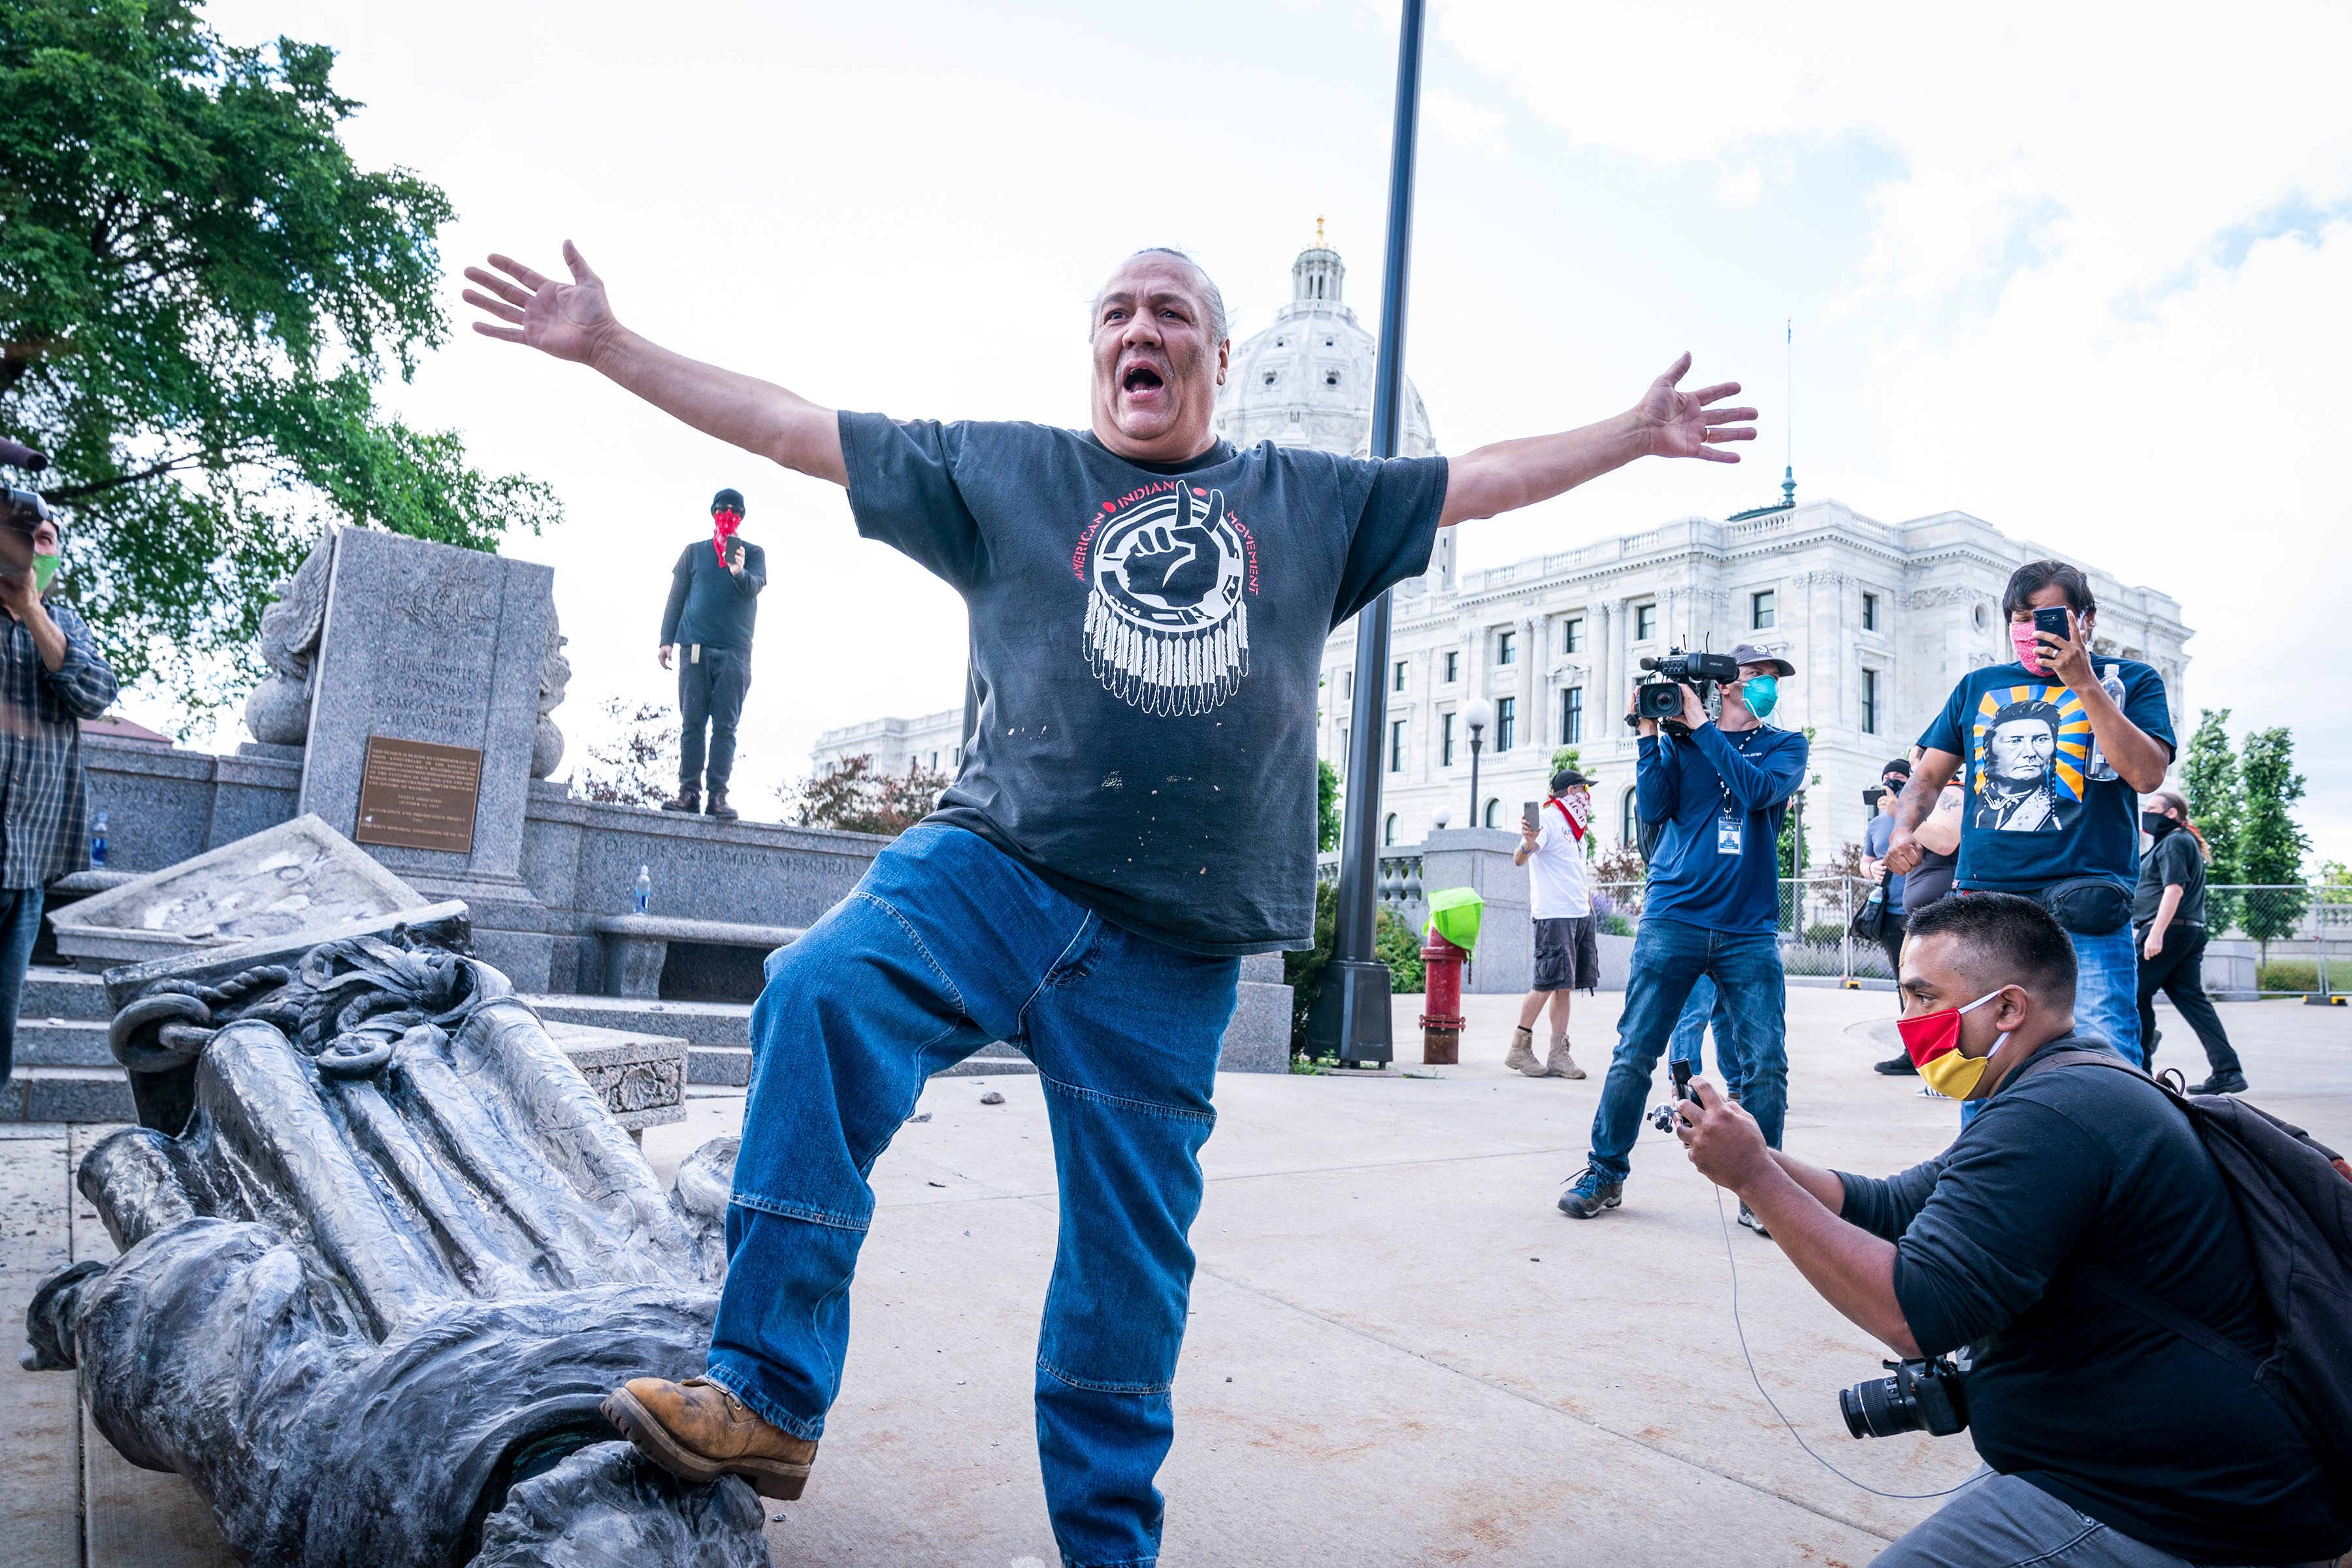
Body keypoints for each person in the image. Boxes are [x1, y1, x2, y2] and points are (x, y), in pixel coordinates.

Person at [463, 238, 1757, 1566]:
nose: (1144, 329)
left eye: (1174, 313)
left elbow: (1480, 477)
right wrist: (612, 345)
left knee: (1126, 1273)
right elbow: (796, 430)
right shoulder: (1007, 470)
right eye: (1119, 312)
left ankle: (1105, 1550)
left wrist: (1633, 432)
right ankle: (770, 1394)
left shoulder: (1304, 498)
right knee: (819, 990)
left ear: (1219, 358)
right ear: (1097, 351)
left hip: (1175, 944)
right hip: (994, 870)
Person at [1669, 892, 2347, 1568]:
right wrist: (1750, 1150)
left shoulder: (2055, 1115)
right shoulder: (2071, 1085)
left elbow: (1914, 1312)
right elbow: (1893, 1205)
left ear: (2008, 1008)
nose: (1906, 1023)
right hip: (2148, 1476)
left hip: (2169, 1509)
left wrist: (1755, 1179)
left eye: (1922, 998)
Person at [1884, 560, 2174, 1082]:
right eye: (2021, 617)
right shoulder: (1979, 686)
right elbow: (1926, 778)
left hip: (2085, 898)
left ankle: (2116, 1161)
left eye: (2049, 616)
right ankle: (1986, 1164)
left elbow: (2147, 774)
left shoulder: (2130, 680)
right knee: (1976, 1055)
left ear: (2085, 620)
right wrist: (1904, 831)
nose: (2033, 628)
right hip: (1987, 901)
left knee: (2106, 1052)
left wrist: (2083, 683)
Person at [1558, 643, 1805, 1234]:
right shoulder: (1681, 740)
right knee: (1634, 1052)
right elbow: (1655, 806)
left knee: (1764, 1063)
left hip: (1748, 927)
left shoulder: (1786, 747)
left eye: (1773, 678)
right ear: (1725, 682)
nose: (1766, 684)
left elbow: (1754, 793)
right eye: (1756, 675)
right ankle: (1605, 1171)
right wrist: (1650, 736)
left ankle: (1762, 1191)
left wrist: (1699, 728)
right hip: (1674, 915)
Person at [0, 504, 117, 1097]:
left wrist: (31, 611)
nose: (34, 550)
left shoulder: (64, 623)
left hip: (23, 864)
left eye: (46, 541)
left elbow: (95, 693)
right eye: (23, 538)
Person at [658, 487, 768, 820]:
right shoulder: (694, 553)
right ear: (712, 514)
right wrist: (666, 639)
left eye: (734, 510)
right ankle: (689, 791)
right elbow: (676, 597)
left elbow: (754, 587)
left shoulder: (754, 553)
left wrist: (737, 570)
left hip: (735, 652)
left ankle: (717, 796)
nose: (727, 514)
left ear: (743, 517)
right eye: (722, 509)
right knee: (692, 723)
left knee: (725, 726)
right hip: (694, 647)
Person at [2134, 789, 2246, 1095]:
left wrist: (2155, 934)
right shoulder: (2177, 842)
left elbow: (2173, 891)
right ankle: (2228, 1070)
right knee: (2192, 1002)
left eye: (2154, 808)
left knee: (2134, 994)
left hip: (2168, 932)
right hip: (2186, 932)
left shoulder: (2173, 842)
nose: (2148, 813)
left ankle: (2139, 1068)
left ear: (2172, 814)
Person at [1507, 766, 1597, 1079]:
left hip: (1577, 914)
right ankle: (1519, 1048)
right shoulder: (1547, 819)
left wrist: (1587, 901)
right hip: (1553, 914)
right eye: (1585, 790)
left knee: (1565, 987)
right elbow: (1520, 857)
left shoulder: (1575, 828)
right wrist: (1527, 842)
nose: (1588, 797)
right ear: (1572, 791)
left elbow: (1572, 868)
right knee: (1546, 983)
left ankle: (1558, 1054)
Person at [1873, 777, 1961, 1076]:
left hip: (1945, 918)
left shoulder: (1953, 791)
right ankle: (1922, 1058)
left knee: (1942, 993)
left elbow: (1946, 842)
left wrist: (1903, 818)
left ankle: (1945, 1066)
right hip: (1920, 918)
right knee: (1915, 990)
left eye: (1916, 767)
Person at [1859, 756, 1914, 987]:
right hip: (1890, 911)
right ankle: (1904, 1022)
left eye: (1898, 779)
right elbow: (1865, 863)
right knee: (1900, 979)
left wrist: (1900, 811)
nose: (1891, 783)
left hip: (1920, 907)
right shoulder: (1876, 825)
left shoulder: (1924, 816)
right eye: (1887, 779)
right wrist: (1872, 869)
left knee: (1923, 977)